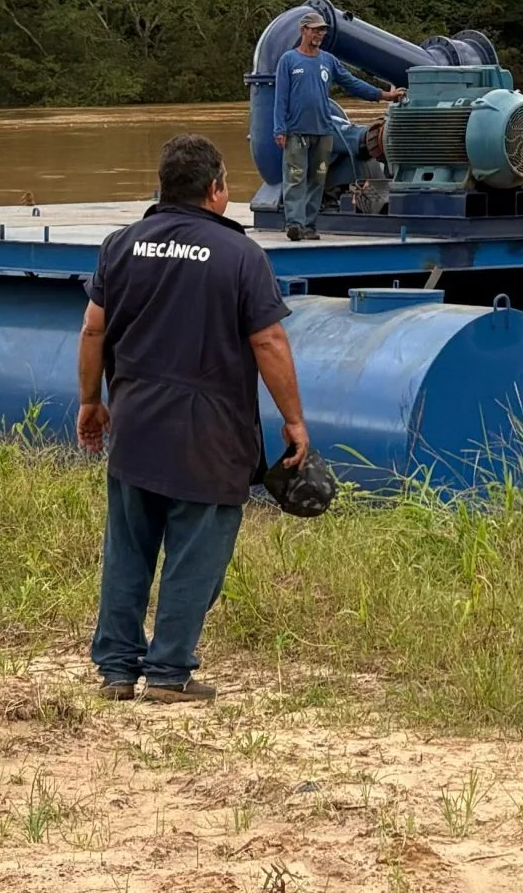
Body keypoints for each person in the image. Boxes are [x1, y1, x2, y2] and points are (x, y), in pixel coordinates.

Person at [77, 133, 310, 704]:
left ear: (161, 188)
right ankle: (168, 673)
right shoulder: (241, 256)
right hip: (210, 437)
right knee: (195, 553)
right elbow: (270, 341)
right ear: (216, 190)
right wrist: (295, 421)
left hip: (135, 427)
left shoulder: (121, 245)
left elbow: (92, 329)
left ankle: (115, 671)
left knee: (128, 549)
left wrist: (90, 401)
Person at [270, 11, 397, 241]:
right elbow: (280, 98)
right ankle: (295, 224)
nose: (320, 34)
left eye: (323, 30)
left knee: (317, 180)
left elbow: (352, 83)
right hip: (296, 131)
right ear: (304, 31)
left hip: (324, 132)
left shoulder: (327, 60)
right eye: (316, 29)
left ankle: (309, 225)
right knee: (295, 178)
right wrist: (279, 129)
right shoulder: (288, 60)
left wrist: (384, 95)